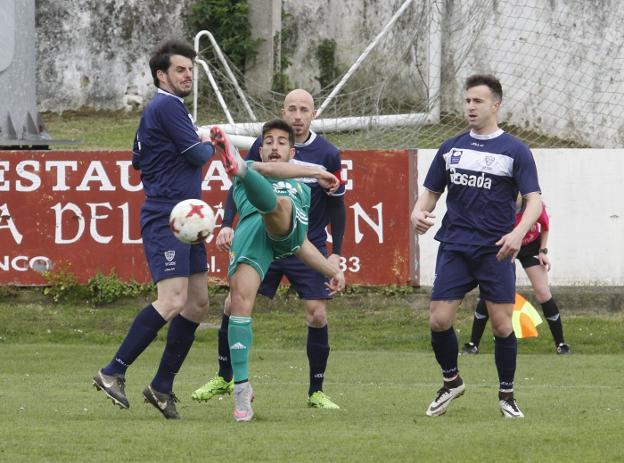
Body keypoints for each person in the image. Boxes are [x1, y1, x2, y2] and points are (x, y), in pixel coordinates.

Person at [192, 89, 346, 409]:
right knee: (235, 305)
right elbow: (267, 171)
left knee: (317, 312)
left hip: (297, 235)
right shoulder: (259, 166)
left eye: (304, 109)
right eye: (292, 108)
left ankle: (316, 391)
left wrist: (335, 261)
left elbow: (332, 209)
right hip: (255, 236)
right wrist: (226, 224)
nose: (297, 114)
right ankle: (235, 384)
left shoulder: (320, 161)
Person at [92, 39, 217, 420]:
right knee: (173, 300)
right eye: (180, 69)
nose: (188, 75)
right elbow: (198, 155)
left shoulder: (160, 109)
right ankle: (113, 370)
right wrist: (208, 143)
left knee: (197, 305)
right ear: (161, 75)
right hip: (169, 215)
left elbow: (136, 159)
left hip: (188, 218)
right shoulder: (167, 105)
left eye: (191, 70)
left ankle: (162, 387)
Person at [410, 74, 542, 419]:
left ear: (495, 105)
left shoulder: (515, 150)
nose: (470, 106)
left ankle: (507, 396)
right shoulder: (450, 148)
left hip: (495, 249)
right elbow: (430, 194)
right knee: (439, 320)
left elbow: (534, 202)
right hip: (455, 245)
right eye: (467, 100)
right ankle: (451, 381)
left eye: (478, 101)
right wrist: (417, 213)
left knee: (501, 325)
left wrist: (517, 235)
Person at [463, 194, 570, 355]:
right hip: (507, 245)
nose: (514, 192)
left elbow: (545, 227)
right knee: (490, 290)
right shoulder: (499, 202)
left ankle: (561, 344)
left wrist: (542, 251)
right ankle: (473, 344)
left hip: (530, 247)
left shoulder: (534, 204)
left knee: (543, 292)